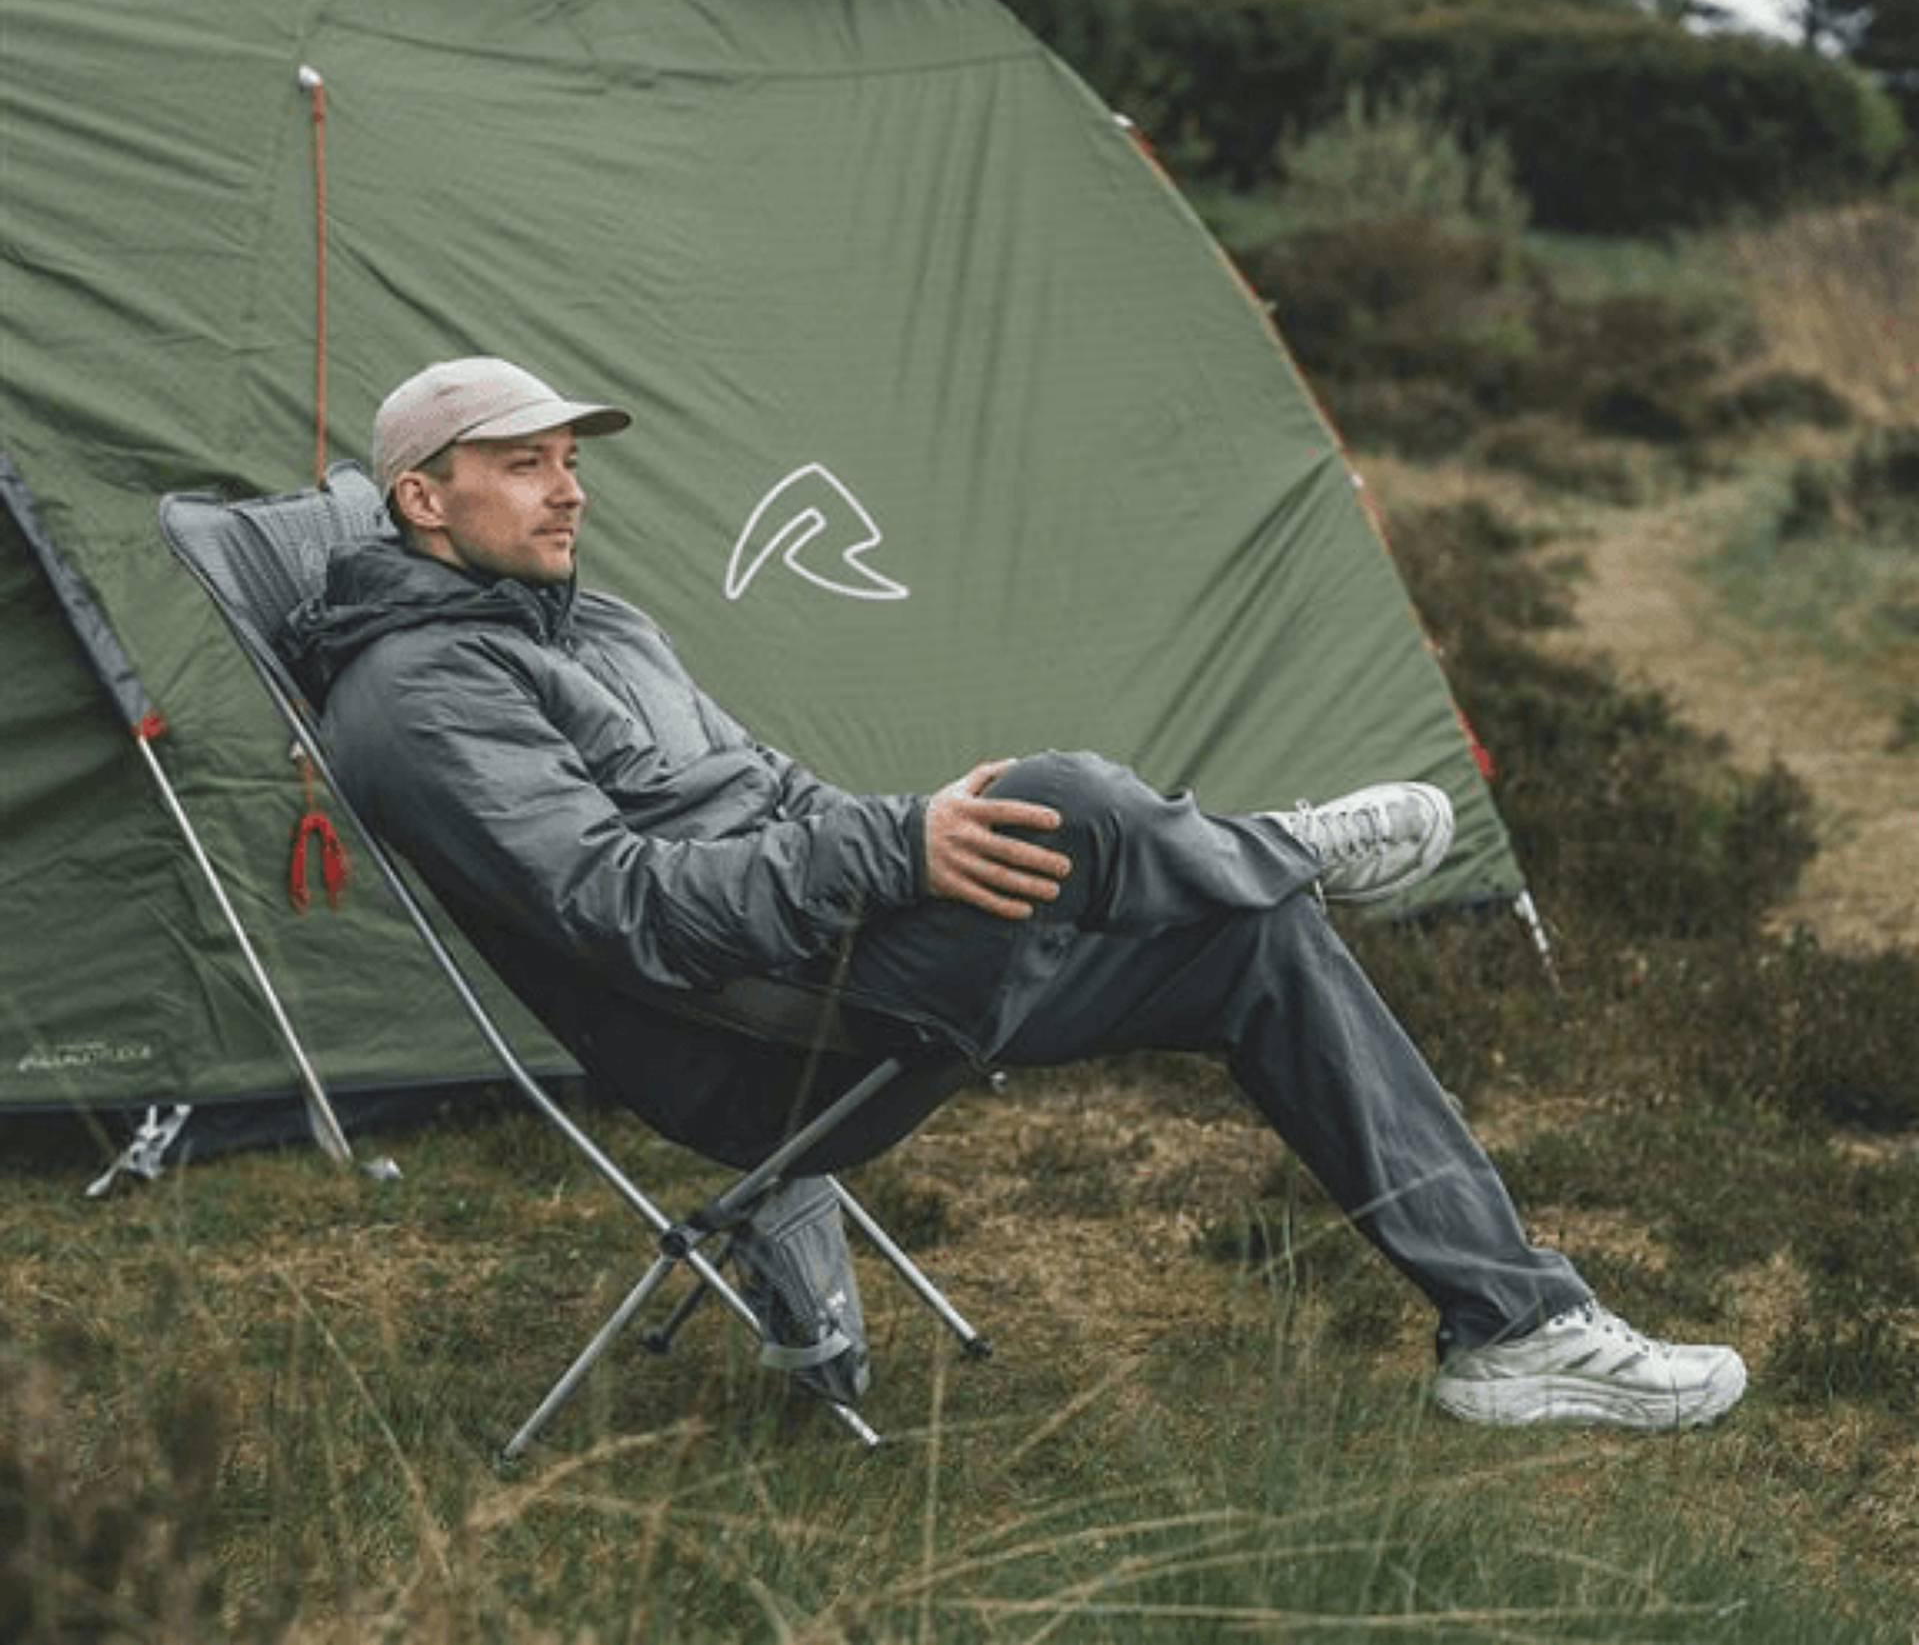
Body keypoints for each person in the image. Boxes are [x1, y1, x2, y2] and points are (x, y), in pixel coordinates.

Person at [283, 356, 1748, 1430]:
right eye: (523, 463)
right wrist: (899, 851)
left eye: (568, 459)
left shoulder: (588, 623)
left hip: (842, 959)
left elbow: (774, 791)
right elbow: (629, 911)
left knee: (1252, 939)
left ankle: (1514, 1329)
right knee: (1068, 798)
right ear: (422, 497)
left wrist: (909, 832)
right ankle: (1290, 838)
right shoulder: (418, 698)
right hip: (756, 1033)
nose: (569, 487)